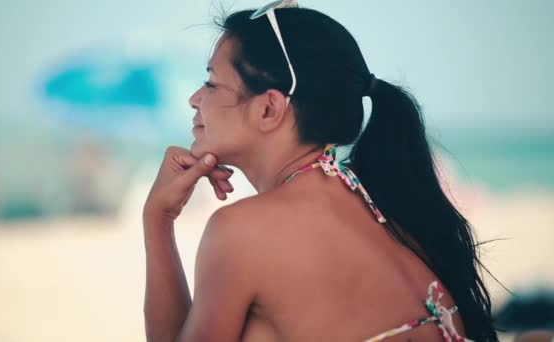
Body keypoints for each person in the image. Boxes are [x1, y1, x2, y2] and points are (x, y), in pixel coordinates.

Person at [142, 1, 498, 341]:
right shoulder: (383, 204)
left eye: (211, 83)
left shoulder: (242, 231)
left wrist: (157, 218)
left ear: (269, 109)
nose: (193, 99)